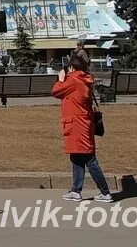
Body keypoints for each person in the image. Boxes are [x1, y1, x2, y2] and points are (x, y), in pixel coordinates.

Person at [52, 53, 113, 202]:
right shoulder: (84, 79)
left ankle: (105, 192)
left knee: (89, 159)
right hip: (82, 122)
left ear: (72, 67)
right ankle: (76, 190)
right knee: (77, 156)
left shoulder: (74, 80)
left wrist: (61, 79)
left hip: (76, 124)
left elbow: (56, 91)